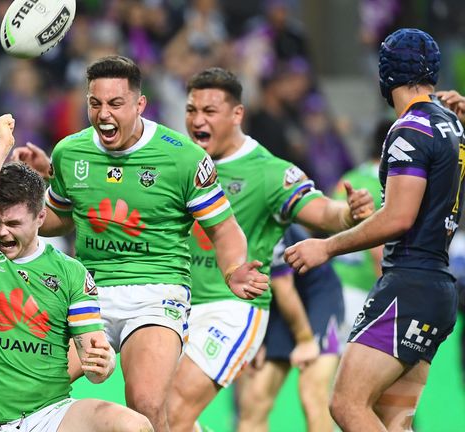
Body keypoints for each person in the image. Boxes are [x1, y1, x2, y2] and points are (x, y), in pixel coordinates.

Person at [13, 55, 269, 431]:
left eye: (115, 104)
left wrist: (232, 269)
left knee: (146, 402)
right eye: (95, 103)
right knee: (33, 389)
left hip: (156, 293)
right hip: (89, 293)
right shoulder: (69, 153)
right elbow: (59, 218)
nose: (103, 115)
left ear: (139, 104)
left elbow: (224, 228)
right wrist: (16, 222)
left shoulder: (181, 157)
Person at [165, 68, 373, 432]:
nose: (197, 120)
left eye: (209, 111)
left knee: (174, 411)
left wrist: (348, 214)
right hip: (177, 306)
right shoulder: (179, 162)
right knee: (156, 411)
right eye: (191, 110)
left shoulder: (269, 173)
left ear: (237, 114)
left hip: (232, 309)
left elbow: (321, 211)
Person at [285, 28, 464, 431]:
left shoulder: (410, 129)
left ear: (385, 75)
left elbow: (398, 218)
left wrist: (326, 247)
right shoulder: (452, 126)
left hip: (407, 284)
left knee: (347, 404)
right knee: (393, 420)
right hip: (438, 287)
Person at [0, 113, 153, 432]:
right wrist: (1, 148)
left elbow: (92, 357)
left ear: (41, 217)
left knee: (132, 426)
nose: (1, 232)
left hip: (51, 416)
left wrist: (103, 364)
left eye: (13, 224)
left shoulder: (71, 273)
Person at [237, 224, 344, 432]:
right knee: (254, 400)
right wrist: (254, 339)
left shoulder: (269, 219)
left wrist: (305, 340)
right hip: (276, 304)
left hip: (318, 298)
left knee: (312, 393)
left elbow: (284, 286)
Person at [331, 119, 391, 331]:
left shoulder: (350, 178)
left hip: (338, 281)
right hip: (366, 287)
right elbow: (378, 249)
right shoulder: (388, 185)